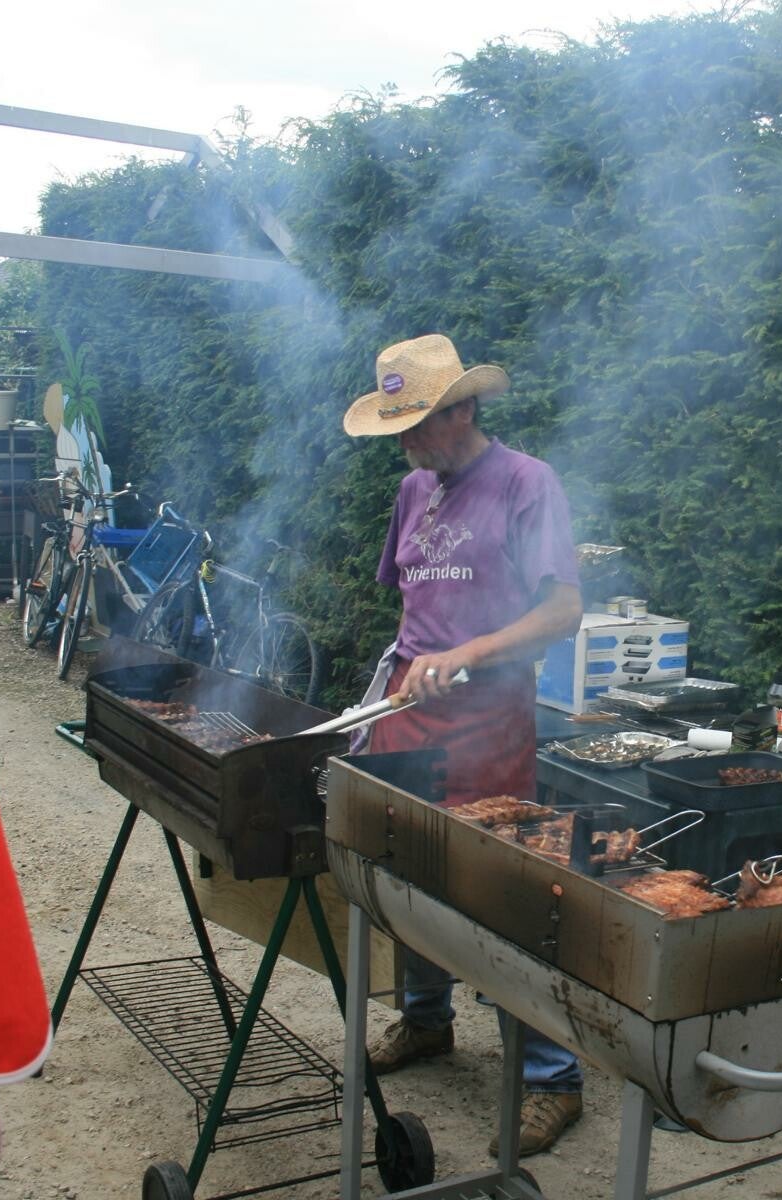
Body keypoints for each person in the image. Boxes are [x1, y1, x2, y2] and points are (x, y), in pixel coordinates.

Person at [341, 333, 585, 1156]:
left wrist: (468, 654)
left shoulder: (526, 482)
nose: (405, 444)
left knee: (504, 897)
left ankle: (553, 1078)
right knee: (408, 871)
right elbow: (414, 609)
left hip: (489, 721)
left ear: (465, 409)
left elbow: (563, 612)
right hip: (411, 712)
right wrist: (403, 679)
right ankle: (426, 1019)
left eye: (416, 426)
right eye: (398, 429)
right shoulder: (415, 488)